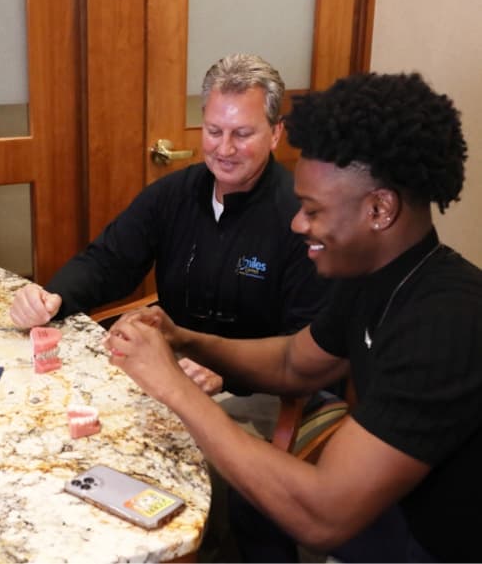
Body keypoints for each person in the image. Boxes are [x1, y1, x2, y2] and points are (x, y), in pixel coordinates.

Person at [105, 71, 481, 562]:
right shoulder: (374, 275)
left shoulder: (446, 324)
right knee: (244, 505)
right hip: (394, 507)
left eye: (312, 210)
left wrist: (171, 387)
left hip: (435, 545)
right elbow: (291, 362)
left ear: (379, 209)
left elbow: (322, 515)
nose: (297, 223)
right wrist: (183, 339)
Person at [10, 53, 327, 396]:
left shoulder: (301, 219)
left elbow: (306, 345)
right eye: (214, 131)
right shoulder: (174, 194)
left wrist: (227, 375)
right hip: (166, 369)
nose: (225, 148)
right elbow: (108, 261)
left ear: (276, 133)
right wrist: (53, 298)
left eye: (243, 133)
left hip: (255, 391)